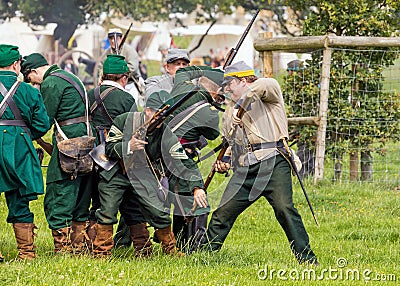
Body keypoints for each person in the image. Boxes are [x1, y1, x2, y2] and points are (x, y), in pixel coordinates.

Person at [200, 61, 318, 265]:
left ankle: (307, 260)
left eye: (230, 84)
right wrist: (225, 162)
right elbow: (230, 142)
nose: (226, 89)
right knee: (222, 212)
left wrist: (243, 103)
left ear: (244, 80)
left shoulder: (267, 93)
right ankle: (204, 257)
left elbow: (265, 84)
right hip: (246, 168)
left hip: (274, 162)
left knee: (284, 209)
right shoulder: (230, 110)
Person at [93, 90, 207, 258]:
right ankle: (101, 252)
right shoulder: (125, 120)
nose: (161, 119)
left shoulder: (164, 132)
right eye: (157, 113)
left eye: (164, 115)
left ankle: (168, 249)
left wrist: (197, 187)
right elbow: (109, 148)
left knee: (159, 213)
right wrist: (129, 145)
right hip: (116, 172)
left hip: (142, 174)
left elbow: (182, 160)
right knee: (108, 211)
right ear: (147, 111)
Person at [21, 52, 95, 255]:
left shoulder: (51, 83)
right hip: (86, 142)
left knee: (58, 193)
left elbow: (44, 119)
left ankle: (63, 249)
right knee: (81, 194)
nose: (33, 84)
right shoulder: (72, 77)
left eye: (30, 79)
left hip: (68, 145)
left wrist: (29, 135)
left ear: (34, 71)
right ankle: (79, 247)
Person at [0, 44, 50, 260]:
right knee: (19, 197)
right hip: (19, 146)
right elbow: (42, 125)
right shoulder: (28, 91)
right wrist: (20, 131)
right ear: (15, 64)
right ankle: (26, 253)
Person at [167, 65, 224, 252]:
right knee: (198, 200)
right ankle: (194, 247)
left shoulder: (181, 86)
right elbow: (213, 134)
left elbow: (183, 71)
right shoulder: (209, 113)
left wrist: (209, 70)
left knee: (181, 197)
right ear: (216, 90)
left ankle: (177, 240)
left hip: (158, 153)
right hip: (180, 158)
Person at [87, 54, 138, 249]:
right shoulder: (126, 98)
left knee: (95, 200)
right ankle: (120, 243)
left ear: (104, 75)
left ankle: (91, 243)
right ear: (124, 78)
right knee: (123, 201)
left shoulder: (90, 93)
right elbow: (134, 127)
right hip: (115, 155)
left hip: (90, 153)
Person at [98, 28, 144, 105]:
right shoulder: (107, 52)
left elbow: (133, 68)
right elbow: (101, 67)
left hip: (130, 84)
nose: (113, 41)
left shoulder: (130, 50)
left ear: (121, 38)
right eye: (111, 38)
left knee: (131, 109)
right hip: (112, 85)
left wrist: (117, 74)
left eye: (115, 38)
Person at [286, 59, 315, 179]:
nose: (289, 75)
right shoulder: (295, 89)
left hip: (308, 128)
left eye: (290, 72)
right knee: (305, 152)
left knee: (305, 153)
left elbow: (306, 111)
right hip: (300, 128)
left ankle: (302, 178)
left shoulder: (306, 89)